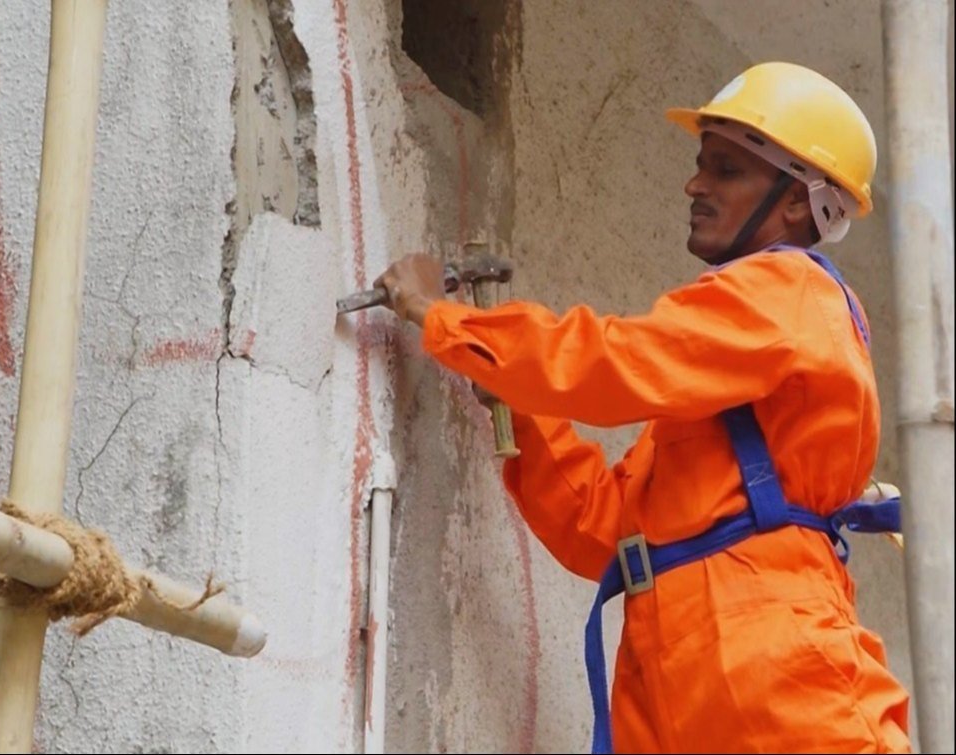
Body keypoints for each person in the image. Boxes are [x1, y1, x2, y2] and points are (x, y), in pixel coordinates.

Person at [373, 61, 911, 754]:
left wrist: (446, 319)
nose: (695, 185)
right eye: (701, 164)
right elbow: (604, 530)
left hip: (771, 668)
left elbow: (613, 363)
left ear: (799, 204)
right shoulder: (726, 388)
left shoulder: (787, 291)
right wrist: (524, 409)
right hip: (689, 673)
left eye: (726, 170)